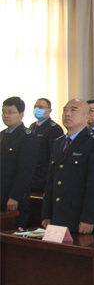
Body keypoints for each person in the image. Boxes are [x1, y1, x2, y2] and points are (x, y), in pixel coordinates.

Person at [41, 99, 94, 234]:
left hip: (79, 217)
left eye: (73, 110)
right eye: (65, 110)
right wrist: (47, 214)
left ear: (87, 117)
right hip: (58, 214)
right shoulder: (59, 143)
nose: (67, 114)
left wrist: (88, 218)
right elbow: (51, 182)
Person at [1, 97, 39, 228]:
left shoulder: (28, 137)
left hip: (13, 198)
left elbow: (26, 171)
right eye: (4, 112)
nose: (6, 115)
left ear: (21, 114)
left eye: (11, 112)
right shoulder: (2, 135)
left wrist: (15, 196)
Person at [28, 97, 64, 192]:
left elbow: (55, 155)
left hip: (43, 176)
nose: (37, 109)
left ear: (49, 110)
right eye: (35, 107)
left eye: (41, 107)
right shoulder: (32, 126)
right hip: (32, 174)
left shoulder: (54, 128)